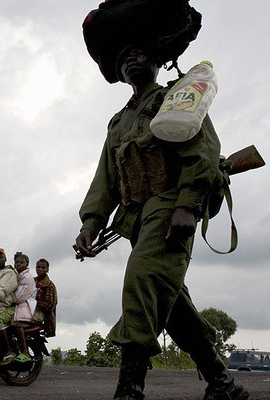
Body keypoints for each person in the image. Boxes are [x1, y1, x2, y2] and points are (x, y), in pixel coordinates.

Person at [75, 2, 249, 399]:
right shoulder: (119, 121)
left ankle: (129, 388)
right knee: (172, 307)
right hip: (135, 217)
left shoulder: (175, 98)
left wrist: (188, 204)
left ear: (156, 61)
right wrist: (90, 223)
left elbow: (203, 151)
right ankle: (223, 382)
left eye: (140, 53)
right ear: (119, 73)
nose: (133, 59)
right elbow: (106, 177)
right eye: (124, 57)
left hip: (171, 207)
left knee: (142, 280)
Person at [3, 252, 37, 363]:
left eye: (21, 262)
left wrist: (6, 298)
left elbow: (19, 297)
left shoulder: (26, 277)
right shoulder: (18, 275)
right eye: (16, 262)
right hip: (18, 304)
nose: (18, 264)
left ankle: (24, 351)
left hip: (25, 305)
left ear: (27, 264)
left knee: (16, 323)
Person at [32, 258, 57, 338]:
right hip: (31, 309)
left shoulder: (49, 285)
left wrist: (33, 302)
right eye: (38, 267)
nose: (40, 270)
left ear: (47, 269)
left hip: (42, 314)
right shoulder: (32, 281)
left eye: (43, 268)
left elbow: (49, 305)